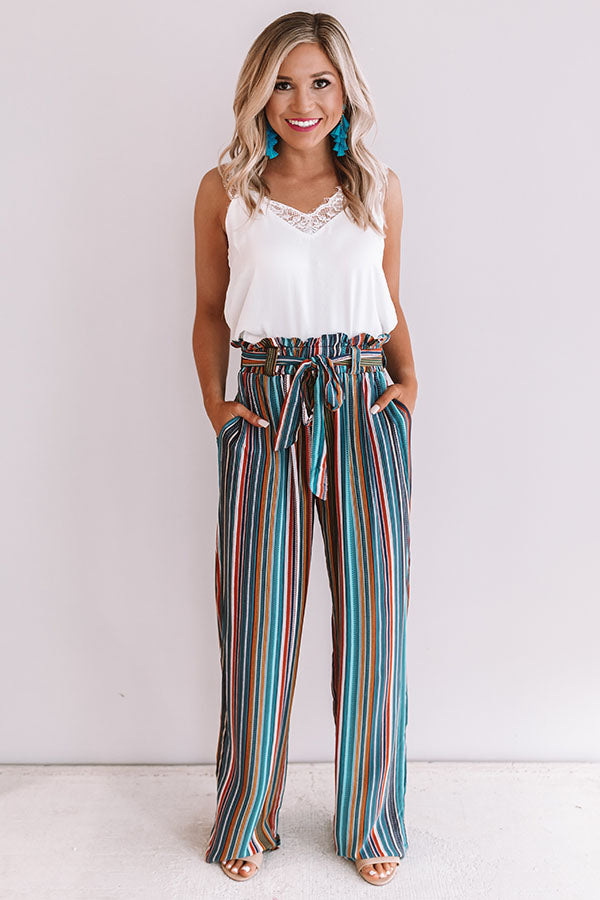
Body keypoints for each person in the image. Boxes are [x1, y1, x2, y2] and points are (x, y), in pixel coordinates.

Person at [192, 11, 417, 887]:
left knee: (374, 623)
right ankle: (247, 813)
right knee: (260, 622)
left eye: (320, 82)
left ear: (346, 91)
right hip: (267, 406)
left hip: (362, 401)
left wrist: (408, 386)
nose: (302, 101)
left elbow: (389, 299)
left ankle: (371, 820)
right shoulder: (226, 191)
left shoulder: (378, 187)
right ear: (258, 93)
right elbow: (209, 312)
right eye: (282, 83)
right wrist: (219, 409)